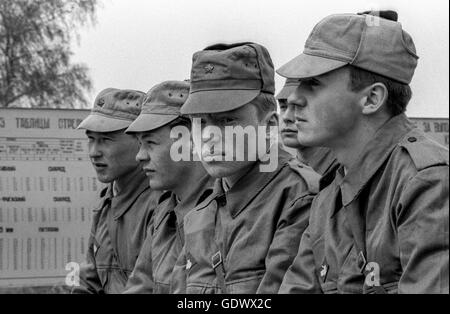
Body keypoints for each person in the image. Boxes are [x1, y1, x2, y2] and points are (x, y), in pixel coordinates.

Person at [278, 11, 449, 294]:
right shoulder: (329, 196)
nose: (294, 98)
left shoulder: (428, 184)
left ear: (371, 98)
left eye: (314, 83)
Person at [171, 42, 320, 294]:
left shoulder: (298, 198)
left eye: (227, 120)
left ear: (270, 125)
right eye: (200, 122)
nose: (208, 135)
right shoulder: (198, 216)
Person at [122, 80, 214, 293]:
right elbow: (140, 286)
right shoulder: (165, 210)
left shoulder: (224, 206)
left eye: (151, 143)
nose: (140, 156)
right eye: (140, 144)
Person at [72, 88, 160, 294]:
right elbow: (89, 283)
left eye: (106, 140)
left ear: (140, 140)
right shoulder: (106, 203)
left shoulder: (161, 204)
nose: (94, 152)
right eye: (91, 139)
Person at [277, 79, 337, 176]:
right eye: (283, 107)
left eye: (299, 106)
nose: (286, 117)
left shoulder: (343, 171)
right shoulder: (284, 175)